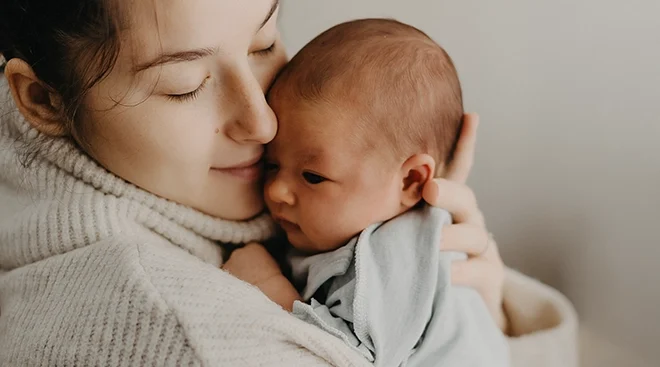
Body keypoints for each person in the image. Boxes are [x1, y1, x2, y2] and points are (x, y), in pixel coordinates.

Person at [0, 0, 577, 366]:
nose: (264, 121)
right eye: (184, 84)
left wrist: (470, 298)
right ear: (43, 98)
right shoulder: (185, 334)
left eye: (264, 43)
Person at [224, 18, 511, 367]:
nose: (277, 190)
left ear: (410, 181)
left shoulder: (389, 257)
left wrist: (267, 285)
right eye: (271, 165)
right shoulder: (358, 231)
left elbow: (344, 359)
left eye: (313, 176)